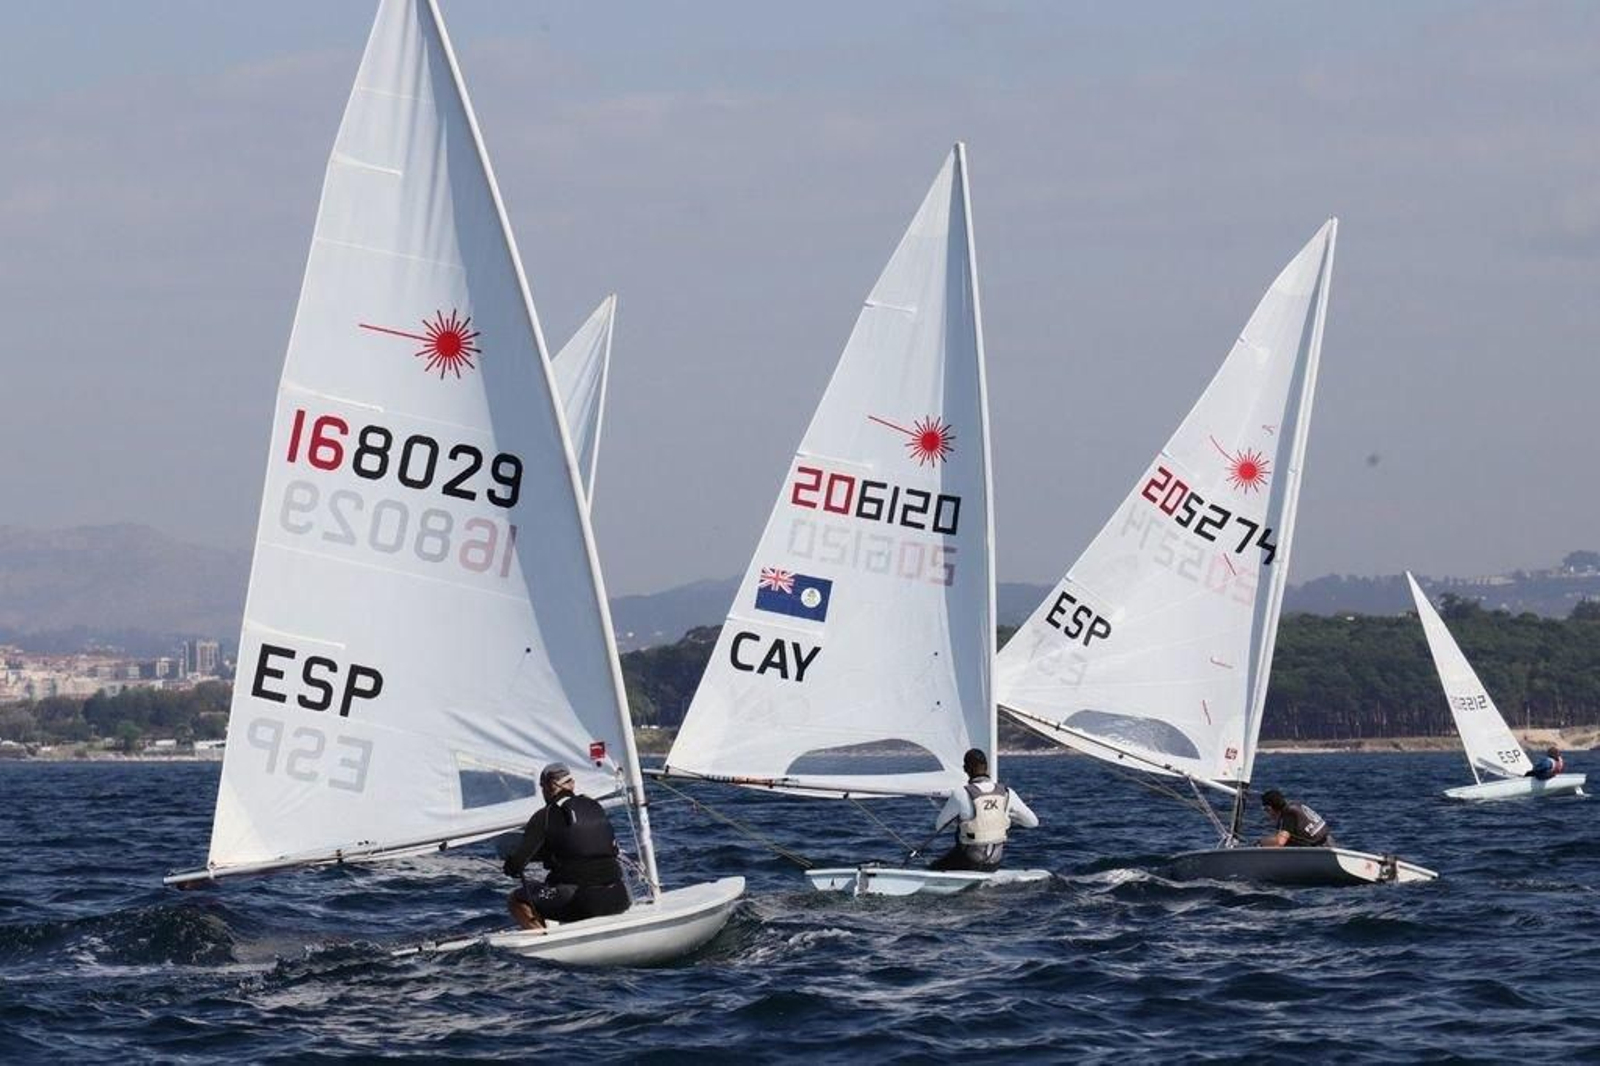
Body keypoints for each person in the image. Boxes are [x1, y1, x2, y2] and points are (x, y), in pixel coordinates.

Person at [502, 763, 631, 932]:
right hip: (619, 897)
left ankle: (542, 942)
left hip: (583, 901)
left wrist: (509, 864)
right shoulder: (595, 806)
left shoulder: (545, 815)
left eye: (542, 787)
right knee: (566, 885)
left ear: (550, 786)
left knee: (517, 899)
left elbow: (516, 866)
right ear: (572, 784)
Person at [928, 748, 1039, 872]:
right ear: (987, 768)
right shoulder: (1007, 793)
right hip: (994, 862)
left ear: (966, 769)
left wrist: (962, 823)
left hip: (968, 861)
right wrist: (1005, 817)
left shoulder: (961, 794)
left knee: (933, 867)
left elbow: (939, 826)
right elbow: (1033, 822)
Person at [1258, 789, 1331, 848]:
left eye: (1266, 810)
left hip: (1321, 848)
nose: (1267, 814)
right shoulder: (1295, 805)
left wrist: (1261, 842)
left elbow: (1279, 842)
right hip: (1329, 842)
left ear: (1269, 808)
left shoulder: (1289, 813)